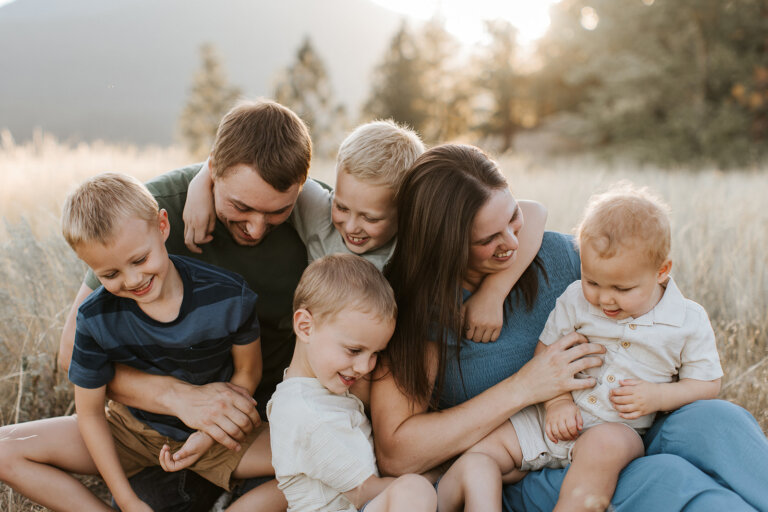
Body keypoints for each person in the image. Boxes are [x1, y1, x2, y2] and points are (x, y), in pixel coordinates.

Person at [370, 143, 768, 512]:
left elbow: (639, 289)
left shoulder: (558, 257)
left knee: (719, 422)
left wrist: (656, 394)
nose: (511, 240)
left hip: (633, 420)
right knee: (669, 480)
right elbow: (398, 453)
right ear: (446, 243)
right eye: (489, 239)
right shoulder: (416, 313)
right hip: (536, 459)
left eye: (513, 218)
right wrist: (527, 386)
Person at [52, 99, 312, 510]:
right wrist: (179, 398)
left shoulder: (319, 221)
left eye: (278, 211)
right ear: (212, 171)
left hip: (262, 421)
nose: (256, 227)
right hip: (162, 426)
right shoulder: (151, 206)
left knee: (308, 483)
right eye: (240, 207)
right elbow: (71, 353)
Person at [0, 173, 281, 512]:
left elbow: (248, 372)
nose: (133, 281)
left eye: (139, 260)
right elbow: (90, 415)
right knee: (5, 450)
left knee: (316, 462)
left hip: (216, 435)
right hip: (129, 432)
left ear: (163, 226)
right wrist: (130, 501)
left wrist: (208, 435)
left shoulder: (227, 295)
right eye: (110, 274)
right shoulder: (93, 318)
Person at [436, 184, 723, 511]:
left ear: (662, 271)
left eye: (622, 288)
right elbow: (545, 352)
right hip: (547, 419)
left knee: (603, 452)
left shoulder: (687, 320)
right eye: (593, 281)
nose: (604, 298)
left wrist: (657, 397)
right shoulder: (575, 298)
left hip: (616, 428)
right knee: (479, 457)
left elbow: (707, 384)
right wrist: (557, 403)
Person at [183, 119, 548, 343]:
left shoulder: (410, 242)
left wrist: (493, 293)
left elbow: (533, 212)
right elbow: (253, 154)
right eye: (343, 207)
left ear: (405, 214)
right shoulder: (319, 210)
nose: (351, 226)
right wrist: (204, 182)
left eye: (371, 218)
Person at [267, 253, 437, 512]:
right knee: (415, 489)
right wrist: (434, 475)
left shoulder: (319, 391)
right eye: (354, 350)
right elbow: (363, 493)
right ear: (305, 327)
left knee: (477, 468)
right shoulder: (307, 414)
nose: (365, 367)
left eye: (376, 353)